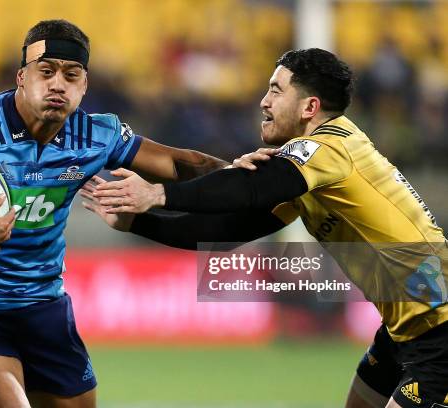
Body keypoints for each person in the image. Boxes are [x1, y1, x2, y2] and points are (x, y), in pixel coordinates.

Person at [0, 19, 237, 408]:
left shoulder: (97, 136)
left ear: (84, 86)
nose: (57, 84)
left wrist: (256, 177)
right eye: (45, 72)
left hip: (44, 308)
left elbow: (185, 164)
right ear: (21, 77)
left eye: (71, 75)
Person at [84, 48, 448, 408]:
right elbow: (224, 231)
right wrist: (136, 220)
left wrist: (156, 193)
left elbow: (249, 188)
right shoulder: (307, 173)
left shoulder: (330, 147)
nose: (263, 101)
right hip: (405, 332)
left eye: (276, 90)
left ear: (309, 108)